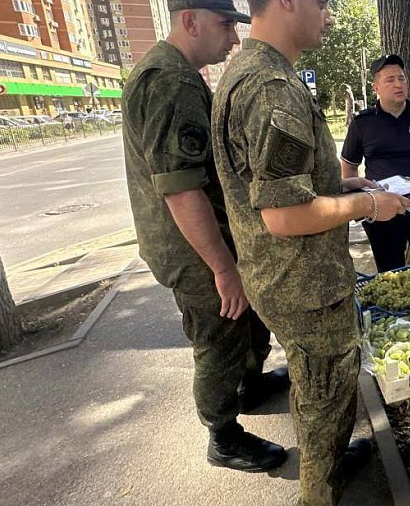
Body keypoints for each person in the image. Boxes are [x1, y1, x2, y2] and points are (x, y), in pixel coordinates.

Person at [209, 1, 410, 504]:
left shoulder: (252, 70)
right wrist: (367, 204)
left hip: (277, 276)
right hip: (303, 284)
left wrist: (343, 184)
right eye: (322, 4)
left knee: (311, 385)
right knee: (325, 395)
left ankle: (331, 459)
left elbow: (275, 184)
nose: (329, 15)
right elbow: (285, 216)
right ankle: (319, 490)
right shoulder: (270, 87)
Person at [121, 0, 289, 474]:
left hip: (204, 238)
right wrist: (222, 268)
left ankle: (248, 386)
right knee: (219, 333)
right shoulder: (170, 81)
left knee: (245, 322)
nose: (234, 39)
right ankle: (223, 434)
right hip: (194, 249)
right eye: (224, 26)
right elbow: (181, 190)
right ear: (189, 21)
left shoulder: (174, 72)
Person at [340, 55, 410, 272]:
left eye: (402, 79)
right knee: (390, 273)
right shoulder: (362, 123)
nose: (398, 84)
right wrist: (358, 203)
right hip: (380, 211)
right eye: (390, 80)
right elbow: (348, 165)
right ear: (376, 87)